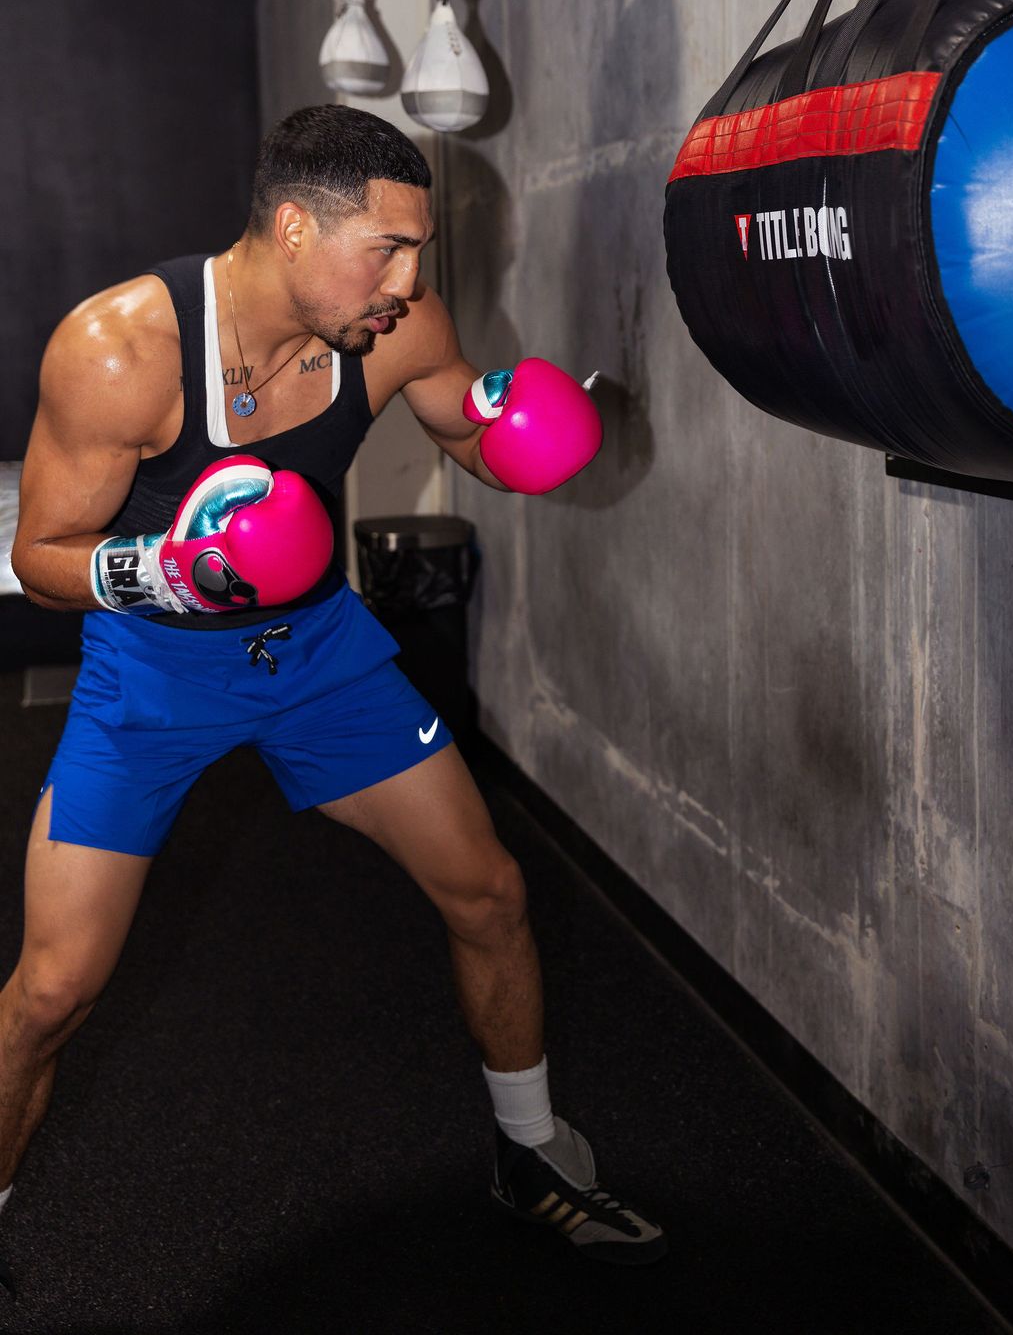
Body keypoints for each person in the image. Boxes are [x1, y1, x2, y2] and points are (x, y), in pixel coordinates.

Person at [6, 104, 665, 1293]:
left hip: (318, 660)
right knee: (51, 989)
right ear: (297, 228)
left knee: (492, 892)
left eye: (421, 253)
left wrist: (518, 431)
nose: (411, 283)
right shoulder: (119, 351)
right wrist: (161, 567)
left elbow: (465, 421)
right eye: (390, 251)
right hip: (154, 673)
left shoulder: (396, 328)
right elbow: (39, 554)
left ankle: (530, 1154)